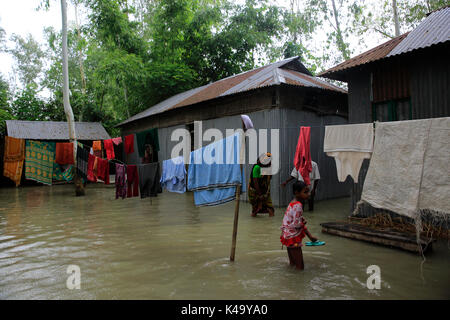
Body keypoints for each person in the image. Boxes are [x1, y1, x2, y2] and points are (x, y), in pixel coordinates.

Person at [280, 181, 318, 270]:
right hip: (293, 238)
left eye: (308, 191)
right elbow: (297, 225)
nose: (308, 194)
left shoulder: (292, 203)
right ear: (297, 193)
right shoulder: (299, 205)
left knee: (292, 264)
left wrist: (310, 236)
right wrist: (303, 223)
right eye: (305, 192)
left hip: (287, 236)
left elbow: (289, 219)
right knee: (300, 267)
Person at [248, 152, 274, 217]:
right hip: (255, 191)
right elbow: (255, 182)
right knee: (255, 209)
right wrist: (260, 195)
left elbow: (269, 179)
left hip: (265, 191)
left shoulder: (267, 168)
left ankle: (269, 225)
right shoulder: (257, 167)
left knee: (270, 208)